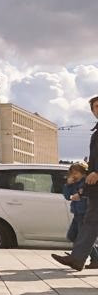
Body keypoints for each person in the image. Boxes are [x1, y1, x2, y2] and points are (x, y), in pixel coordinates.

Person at [53, 96, 98, 271]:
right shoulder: (96, 133)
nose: (97, 109)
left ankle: (78, 258)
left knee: (90, 222)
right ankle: (77, 259)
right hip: (95, 188)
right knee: (90, 222)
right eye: (95, 107)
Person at [61, 162, 96, 268]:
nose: (73, 176)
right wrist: (68, 184)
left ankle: (89, 257)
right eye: (72, 173)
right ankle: (83, 255)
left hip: (84, 213)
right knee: (72, 236)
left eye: (76, 173)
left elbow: (86, 195)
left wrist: (80, 195)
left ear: (82, 173)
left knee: (83, 237)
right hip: (77, 214)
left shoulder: (86, 183)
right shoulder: (73, 184)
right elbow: (67, 196)